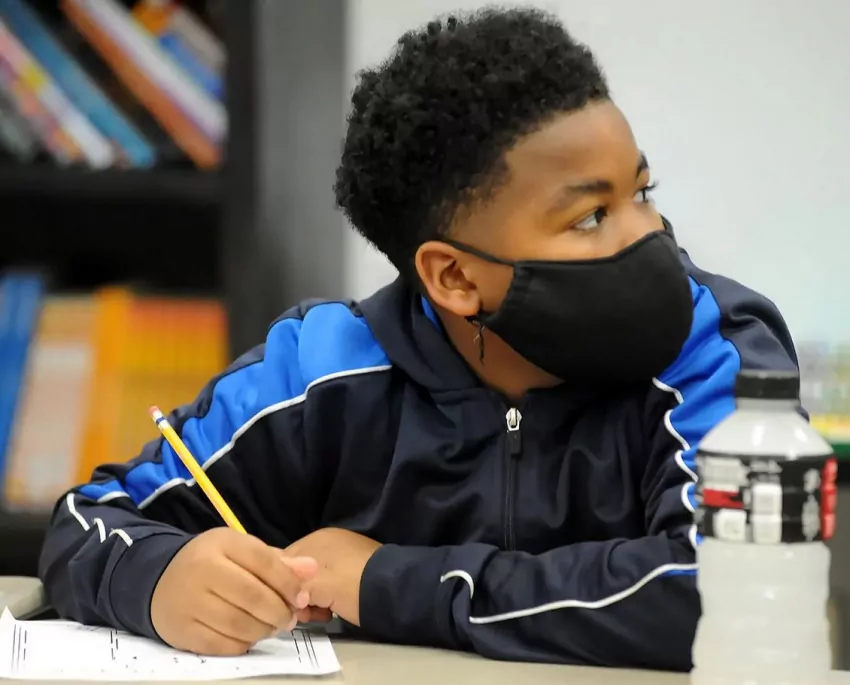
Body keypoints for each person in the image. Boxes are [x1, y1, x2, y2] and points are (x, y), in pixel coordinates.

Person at [39, 7, 799, 672]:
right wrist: (161, 578)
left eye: (641, 192)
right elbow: (85, 523)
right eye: (592, 217)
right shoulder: (317, 371)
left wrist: (387, 582)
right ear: (455, 277)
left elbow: (728, 586)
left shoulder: (716, 345)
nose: (649, 235)